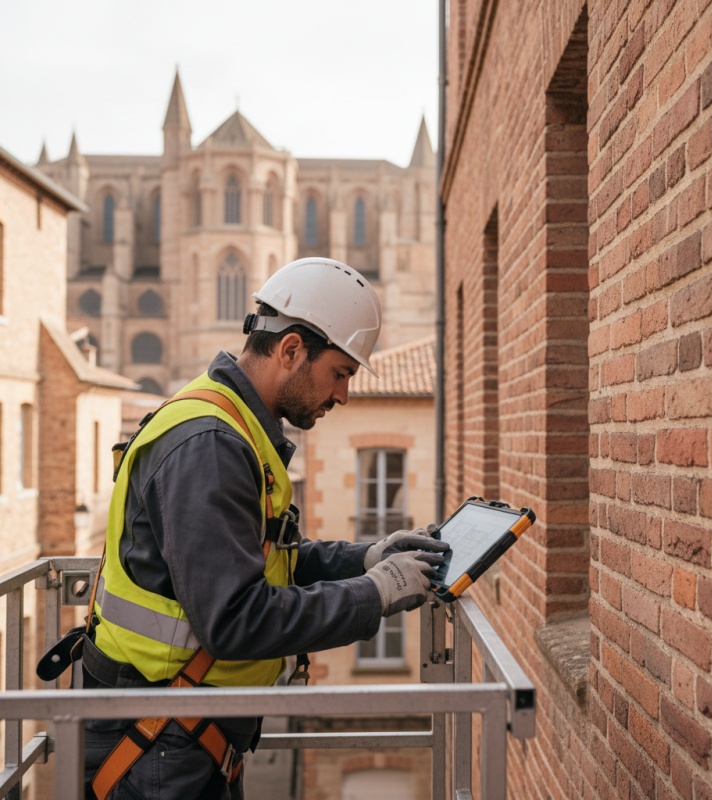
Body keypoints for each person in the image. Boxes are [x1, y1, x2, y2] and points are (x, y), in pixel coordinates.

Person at [81, 257, 449, 799]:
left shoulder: (237, 427)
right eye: (341, 373)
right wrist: (375, 594)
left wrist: (367, 558)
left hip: (180, 731)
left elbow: (270, 556)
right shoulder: (210, 446)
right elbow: (235, 620)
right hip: (158, 745)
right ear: (292, 349)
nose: (343, 395)